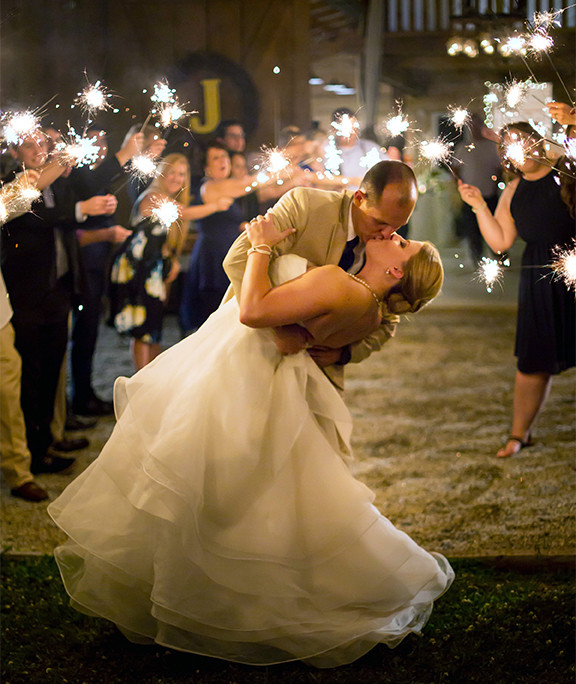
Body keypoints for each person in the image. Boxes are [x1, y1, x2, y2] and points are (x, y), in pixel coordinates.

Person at [48, 211, 451, 667]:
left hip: (246, 376)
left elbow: (256, 312)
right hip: (269, 380)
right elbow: (293, 340)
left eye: (401, 245)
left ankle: (205, 600)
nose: (393, 236)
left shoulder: (341, 283)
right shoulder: (371, 311)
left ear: (396, 271)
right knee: (261, 495)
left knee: (213, 485)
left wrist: (260, 245)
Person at [223, 160, 419, 389]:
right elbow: (237, 258)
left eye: (397, 226)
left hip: (318, 376)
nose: (387, 234)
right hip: (252, 350)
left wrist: (343, 354)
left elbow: (388, 319)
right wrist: (281, 327)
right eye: (379, 222)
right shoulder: (306, 204)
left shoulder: (386, 251)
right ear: (359, 199)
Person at [458, 122, 575, 458]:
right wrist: (479, 205)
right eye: (510, 145)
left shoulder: (567, 172)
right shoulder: (513, 190)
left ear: (538, 141)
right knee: (533, 360)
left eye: (523, 141)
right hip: (539, 279)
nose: (520, 150)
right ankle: (519, 434)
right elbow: (500, 242)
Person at [110, 153, 232, 369]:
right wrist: (216, 206)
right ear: (161, 174)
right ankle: (142, 380)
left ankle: (154, 376)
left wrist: (170, 260)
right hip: (138, 267)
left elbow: (160, 237)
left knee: (154, 324)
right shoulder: (152, 196)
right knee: (142, 326)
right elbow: (181, 213)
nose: (177, 178)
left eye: (182, 174)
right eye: (172, 172)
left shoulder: (166, 197)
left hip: (154, 267)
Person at [179, 143, 257, 334]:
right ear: (206, 168)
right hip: (213, 256)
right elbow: (249, 184)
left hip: (227, 252)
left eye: (224, 156)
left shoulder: (226, 187)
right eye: (216, 158)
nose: (223, 160)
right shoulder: (210, 186)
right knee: (214, 312)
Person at [452, 113, 502, 264]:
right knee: (472, 229)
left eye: (478, 124)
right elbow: (455, 169)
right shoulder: (463, 147)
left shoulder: (492, 147)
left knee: (494, 225)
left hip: (489, 193)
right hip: (471, 196)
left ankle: (499, 255)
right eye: (472, 125)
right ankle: (477, 259)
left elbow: (498, 168)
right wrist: (461, 185)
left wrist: (495, 184)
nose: (475, 128)